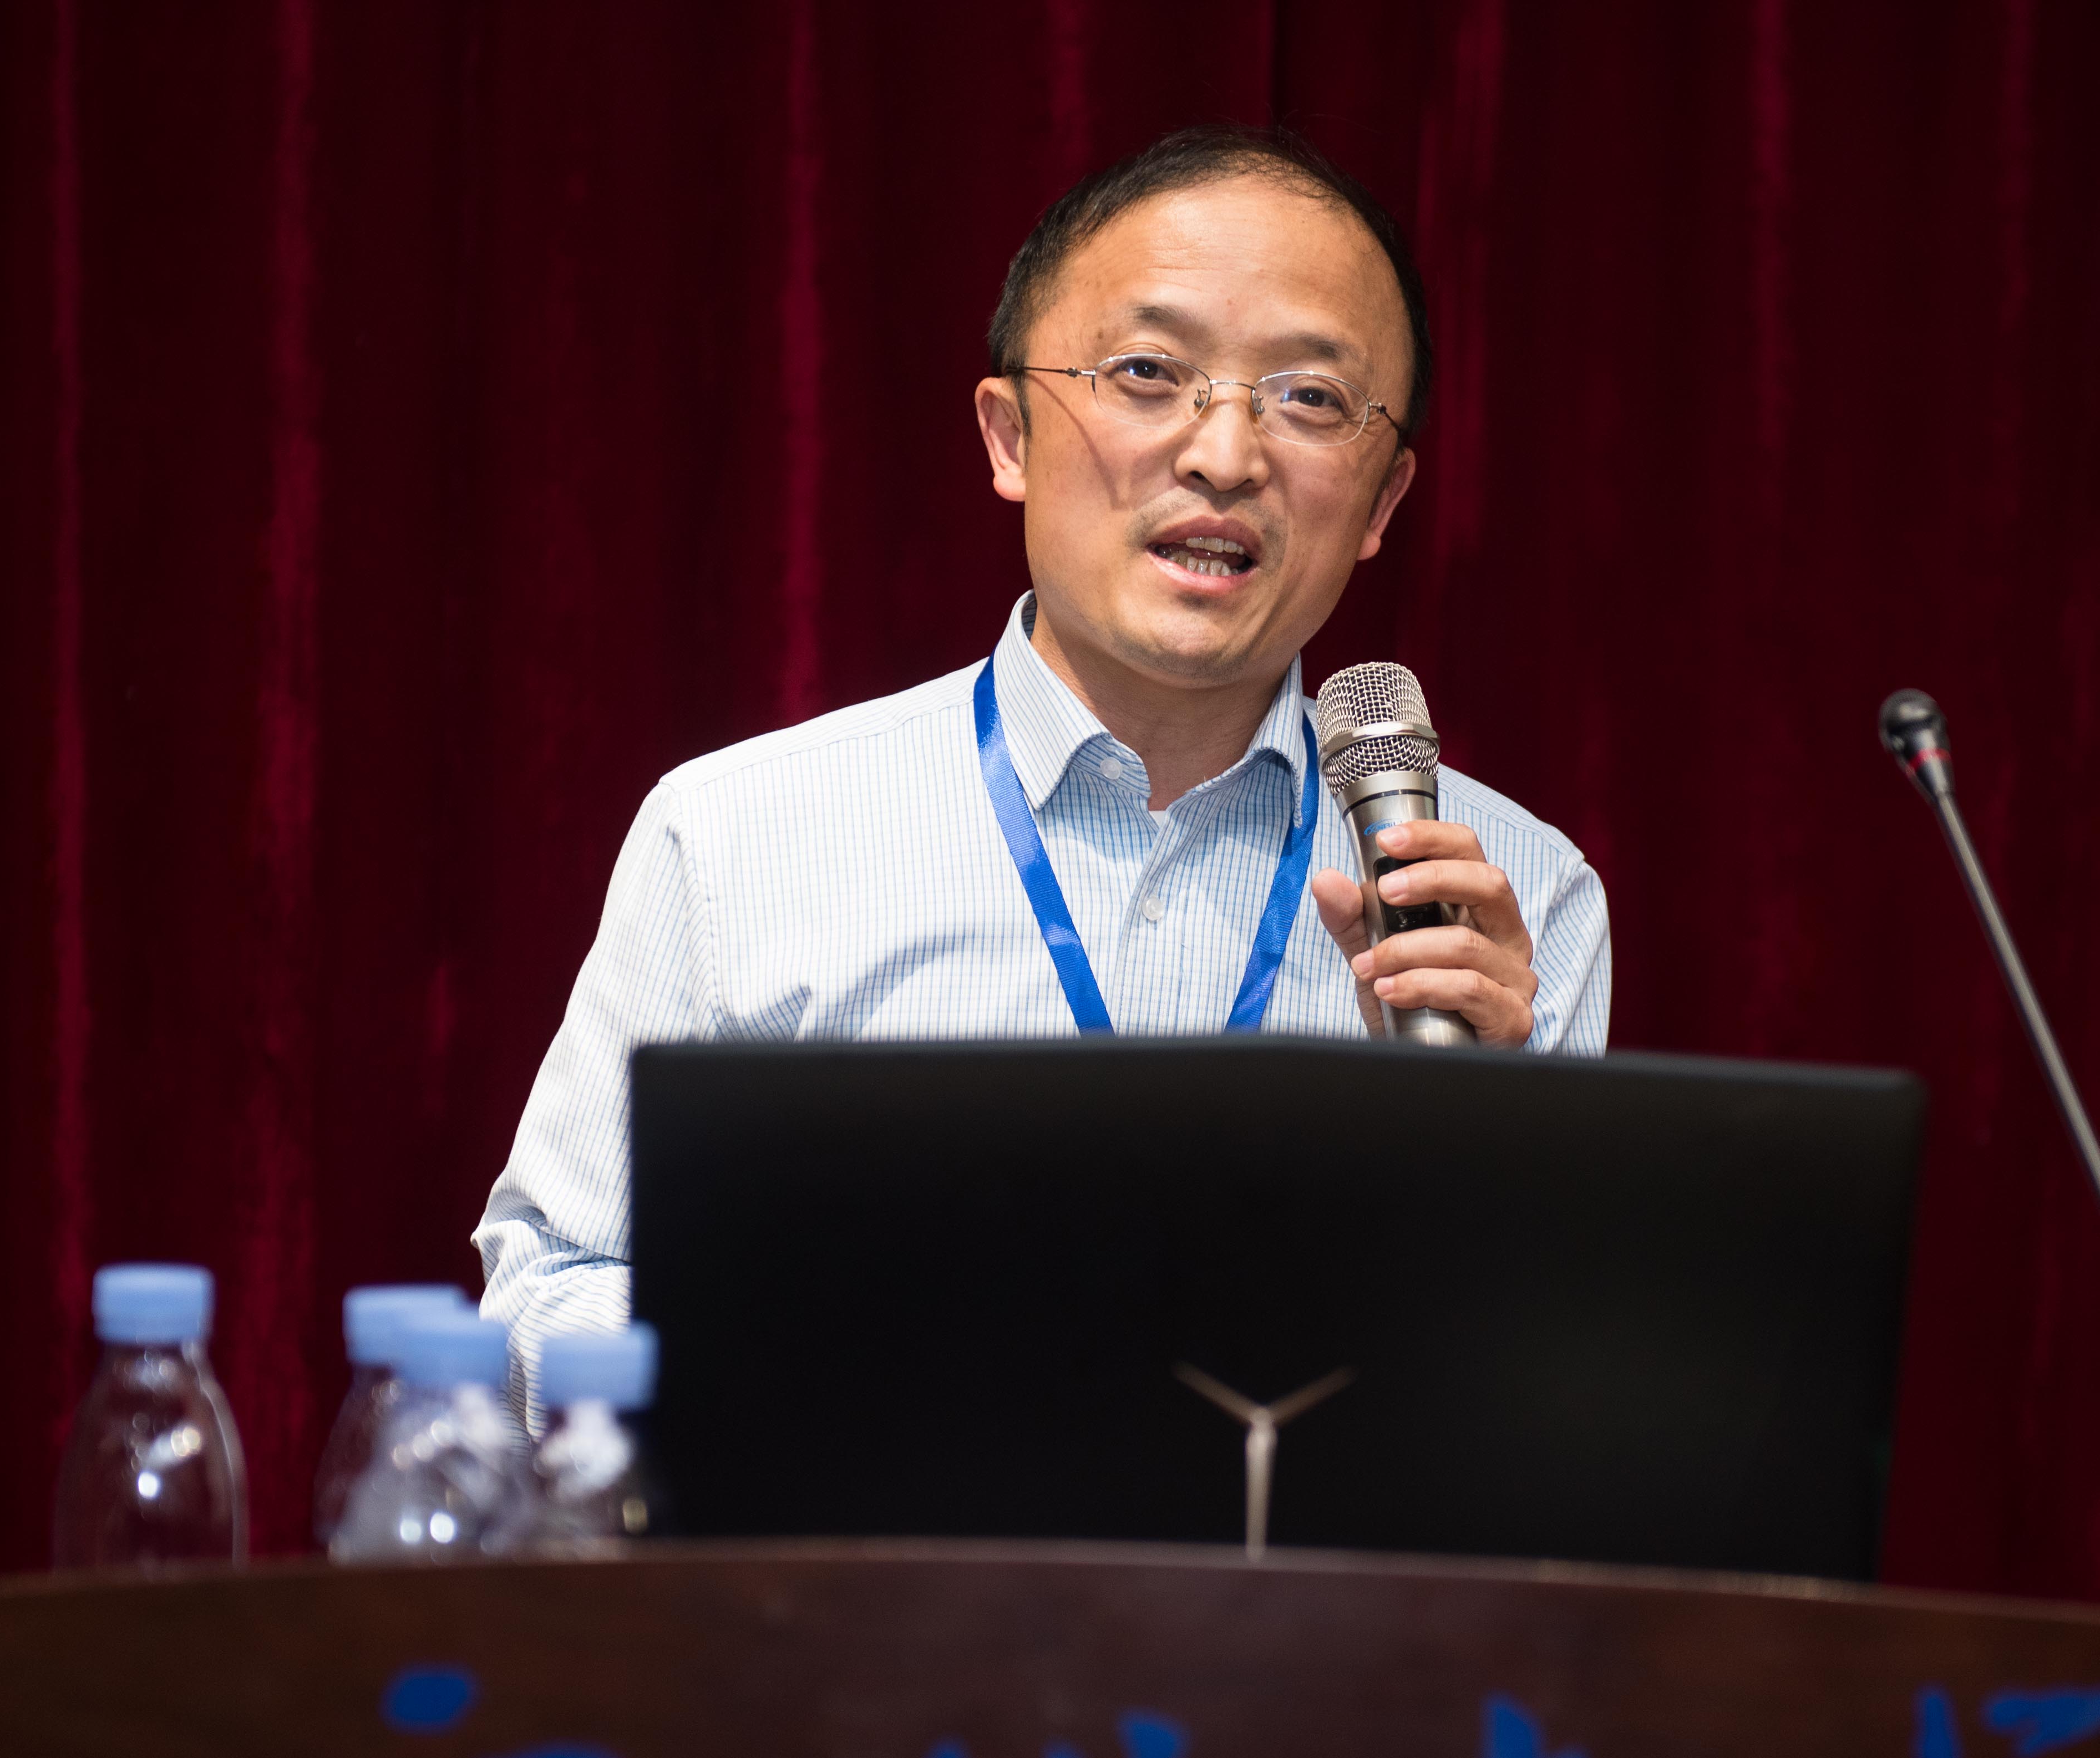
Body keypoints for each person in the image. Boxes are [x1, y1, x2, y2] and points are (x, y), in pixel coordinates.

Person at [475, 126, 1612, 1366]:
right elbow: (555, 1281)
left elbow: (1559, 1389)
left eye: (1309, 399)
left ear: (1383, 500)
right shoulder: (737, 837)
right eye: (1147, 372)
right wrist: (833, 1373)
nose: (1224, 457)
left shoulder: (1512, 903)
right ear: (1010, 436)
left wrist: (1482, 1143)